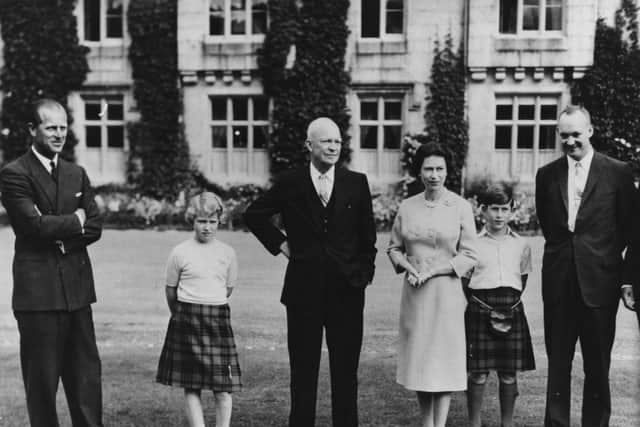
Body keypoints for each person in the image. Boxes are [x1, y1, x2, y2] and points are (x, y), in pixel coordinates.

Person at [243, 117, 377, 427]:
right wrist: (283, 245)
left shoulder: (356, 183)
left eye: (337, 142)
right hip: (304, 291)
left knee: (346, 373)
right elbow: (255, 214)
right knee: (303, 372)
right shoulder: (291, 182)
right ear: (309, 145)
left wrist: (362, 275)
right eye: (326, 141)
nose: (333, 146)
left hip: (347, 291)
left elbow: (367, 239)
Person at [0, 99, 103, 426]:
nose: (59, 134)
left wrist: (59, 235)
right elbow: (33, 226)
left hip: (78, 294)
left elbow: (96, 225)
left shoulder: (76, 173)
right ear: (33, 130)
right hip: (39, 298)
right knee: (42, 388)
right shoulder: (14, 173)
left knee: (87, 383)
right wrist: (76, 221)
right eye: (51, 127)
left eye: (63, 127)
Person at [535, 105, 635, 427]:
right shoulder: (546, 175)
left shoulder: (617, 172)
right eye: (564, 135)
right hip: (559, 284)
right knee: (558, 365)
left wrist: (617, 272)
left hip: (600, 285)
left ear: (590, 131)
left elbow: (631, 229)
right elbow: (550, 227)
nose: (570, 141)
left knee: (597, 367)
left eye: (576, 134)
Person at [387, 142, 477, 427]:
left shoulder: (460, 207)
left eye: (440, 169)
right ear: (420, 172)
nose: (434, 175)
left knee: (443, 361)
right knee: (421, 361)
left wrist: (435, 271)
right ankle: (427, 423)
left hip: (446, 294)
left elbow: (470, 254)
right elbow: (393, 248)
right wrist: (409, 267)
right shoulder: (407, 206)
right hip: (416, 295)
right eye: (428, 169)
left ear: (448, 171)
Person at [156, 192, 242, 427]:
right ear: (192, 220)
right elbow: (170, 290)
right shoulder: (180, 252)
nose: (207, 227)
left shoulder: (227, 253)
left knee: (223, 388)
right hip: (186, 320)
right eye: (201, 221)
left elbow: (228, 288)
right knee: (191, 385)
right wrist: (181, 314)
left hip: (217, 320)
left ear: (219, 222)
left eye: (212, 222)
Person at [463, 182, 535, 427]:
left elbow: (522, 279)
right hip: (480, 308)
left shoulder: (521, 244)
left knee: (508, 373)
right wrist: (482, 305)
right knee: (478, 373)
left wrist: (506, 304)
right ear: (482, 210)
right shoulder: (471, 242)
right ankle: (475, 423)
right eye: (494, 209)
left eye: (505, 209)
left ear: (512, 210)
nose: (499, 215)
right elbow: (465, 280)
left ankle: (507, 423)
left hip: (511, 307)